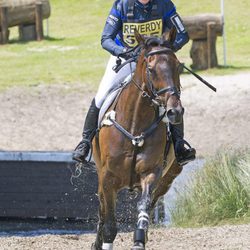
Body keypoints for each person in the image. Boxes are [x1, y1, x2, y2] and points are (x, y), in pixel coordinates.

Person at [73, 0, 196, 165]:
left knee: (171, 94)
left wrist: (163, 51)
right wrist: (124, 52)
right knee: (101, 96)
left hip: (153, 60)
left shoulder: (164, 4)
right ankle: (85, 142)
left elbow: (182, 35)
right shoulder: (121, 5)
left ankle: (179, 144)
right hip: (126, 57)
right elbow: (106, 38)